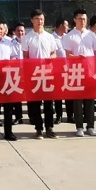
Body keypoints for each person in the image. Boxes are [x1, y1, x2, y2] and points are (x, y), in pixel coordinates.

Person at [21, 9, 59, 140]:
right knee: (35, 104)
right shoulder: (27, 38)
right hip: (34, 75)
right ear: (32, 20)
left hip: (48, 74)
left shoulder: (49, 37)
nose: (40, 21)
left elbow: (54, 53)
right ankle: (38, 129)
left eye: (41, 19)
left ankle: (50, 128)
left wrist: (50, 59)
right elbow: (25, 57)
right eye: (37, 19)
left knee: (49, 103)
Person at [63, 10, 96, 137]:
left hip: (90, 71)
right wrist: (78, 57)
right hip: (76, 71)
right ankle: (79, 126)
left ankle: (91, 126)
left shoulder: (91, 35)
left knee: (90, 100)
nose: (82, 21)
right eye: (80, 19)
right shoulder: (69, 36)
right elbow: (68, 55)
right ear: (75, 20)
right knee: (78, 101)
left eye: (84, 19)